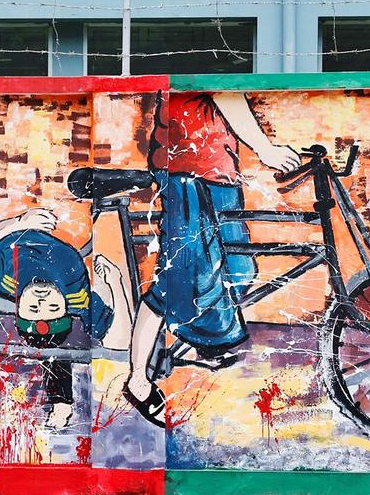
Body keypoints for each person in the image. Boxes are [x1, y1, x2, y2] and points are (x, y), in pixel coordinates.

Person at [124, 91, 300, 427]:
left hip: (219, 171)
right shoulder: (207, 66)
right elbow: (224, 92)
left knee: (239, 268)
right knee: (180, 279)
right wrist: (266, 149)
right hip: (185, 171)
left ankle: (194, 343)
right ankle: (137, 379)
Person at [0, 207, 133, 428]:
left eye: (33, 308)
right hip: (74, 222)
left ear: (18, 311)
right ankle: (62, 404)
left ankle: (59, 405)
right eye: (53, 306)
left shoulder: (8, 280)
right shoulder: (77, 299)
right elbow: (121, 341)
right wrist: (116, 282)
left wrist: (20, 222)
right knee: (60, 347)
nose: (42, 299)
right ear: (65, 309)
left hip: (16, 217)